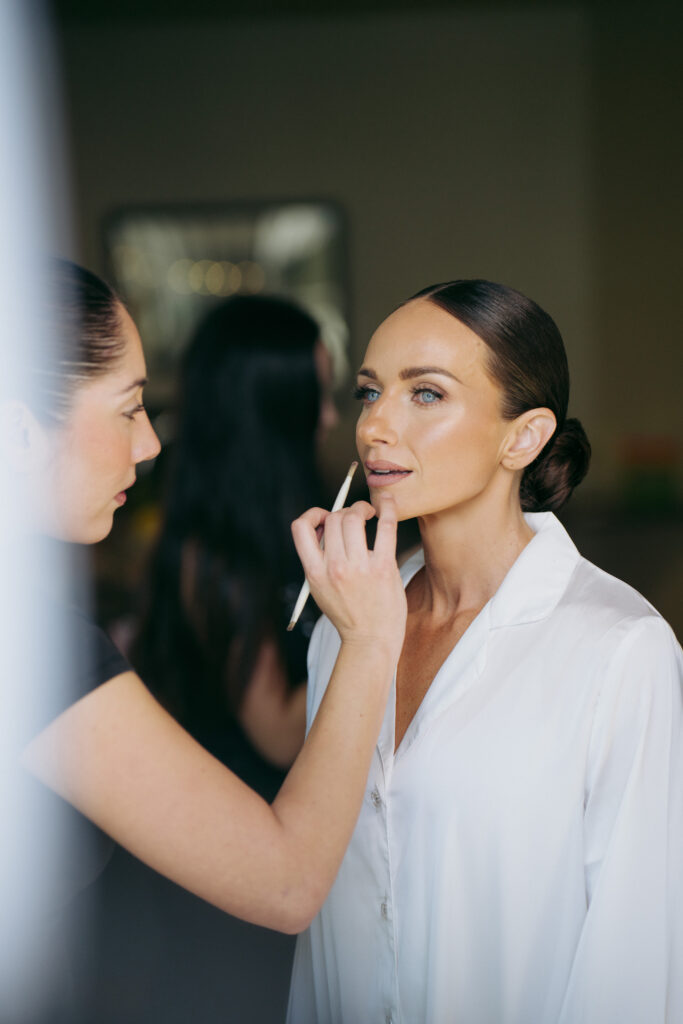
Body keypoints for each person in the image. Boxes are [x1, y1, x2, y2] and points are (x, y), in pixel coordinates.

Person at [287, 279, 683, 1024]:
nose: (374, 426)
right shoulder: (343, 628)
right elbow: (321, 934)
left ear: (522, 437)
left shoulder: (619, 649)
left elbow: (633, 962)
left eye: (425, 393)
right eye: (369, 392)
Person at [6, 258, 407, 943]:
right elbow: (285, 882)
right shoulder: (29, 647)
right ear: (17, 433)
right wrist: (368, 639)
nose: (149, 443)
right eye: (129, 407)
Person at [130, 295, 337, 802]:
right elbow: (279, 739)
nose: (332, 417)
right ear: (273, 411)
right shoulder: (212, 553)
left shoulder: (299, 504)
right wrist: (365, 629)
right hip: (252, 808)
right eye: (318, 397)